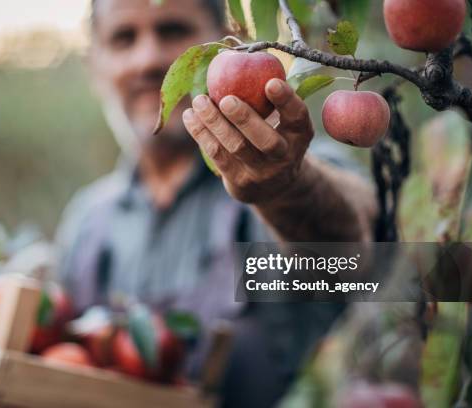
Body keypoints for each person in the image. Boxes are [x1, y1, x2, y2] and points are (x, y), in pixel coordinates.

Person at [55, 0, 377, 406]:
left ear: (224, 42)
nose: (149, 59)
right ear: (94, 66)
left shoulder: (291, 162)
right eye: (124, 38)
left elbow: (352, 249)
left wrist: (287, 188)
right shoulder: (86, 222)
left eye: (173, 31)